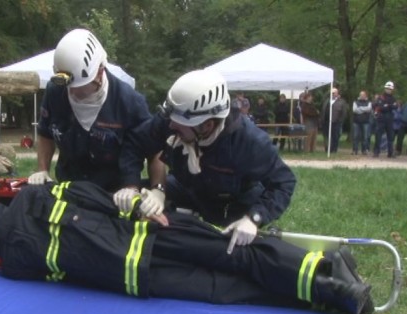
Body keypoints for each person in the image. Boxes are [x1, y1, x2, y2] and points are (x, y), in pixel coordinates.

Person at [0, 180, 374, 314]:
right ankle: (329, 293)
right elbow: (65, 274)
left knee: (233, 254)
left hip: (149, 234)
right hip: (138, 274)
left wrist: (140, 202)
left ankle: (324, 268)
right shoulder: (13, 262)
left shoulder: (29, 204)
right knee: (224, 285)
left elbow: (94, 196)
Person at [121, 69, 296, 249]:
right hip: (188, 187)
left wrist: (254, 218)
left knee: (231, 245)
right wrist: (141, 187)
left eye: (179, 123)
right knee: (130, 197)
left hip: (235, 200)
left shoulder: (249, 141)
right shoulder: (173, 119)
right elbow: (135, 143)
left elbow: (284, 182)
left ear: (207, 125)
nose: (171, 125)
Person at [26, 28, 160, 209]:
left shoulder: (129, 102)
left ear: (99, 72)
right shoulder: (55, 92)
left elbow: (154, 150)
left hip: (115, 196)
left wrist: (157, 189)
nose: (72, 92)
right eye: (68, 85)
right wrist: (42, 169)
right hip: (71, 189)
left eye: (79, 86)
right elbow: (45, 133)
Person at [373, 81, 397, 158]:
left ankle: (390, 153)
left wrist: (388, 106)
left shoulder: (393, 98)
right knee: (378, 136)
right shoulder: (381, 97)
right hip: (381, 118)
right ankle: (376, 152)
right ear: (385, 88)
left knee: (390, 137)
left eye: (390, 89)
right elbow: (381, 107)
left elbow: (395, 107)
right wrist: (389, 106)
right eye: (387, 88)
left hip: (389, 119)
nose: (388, 90)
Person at [320, 88, 348, 153]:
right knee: (326, 135)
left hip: (336, 122)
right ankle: (327, 149)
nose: (332, 94)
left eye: (334, 93)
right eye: (331, 93)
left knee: (335, 136)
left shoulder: (341, 102)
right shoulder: (327, 101)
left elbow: (344, 113)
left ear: (337, 93)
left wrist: (340, 120)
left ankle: (334, 149)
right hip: (326, 121)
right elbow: (323, 110)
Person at [352, 91, 373, 155]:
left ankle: (364, 150)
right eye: (361, 95)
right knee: (355, 136)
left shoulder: (369, 102)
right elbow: (354, 110)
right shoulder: (355, 102)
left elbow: (369, 109)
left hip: (365, 122)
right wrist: (364, 110)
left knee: (365, 137)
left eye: (363, 95)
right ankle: (355, 150)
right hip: (356, 122)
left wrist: (360, 109)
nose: (362, 96)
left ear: (366, 95)